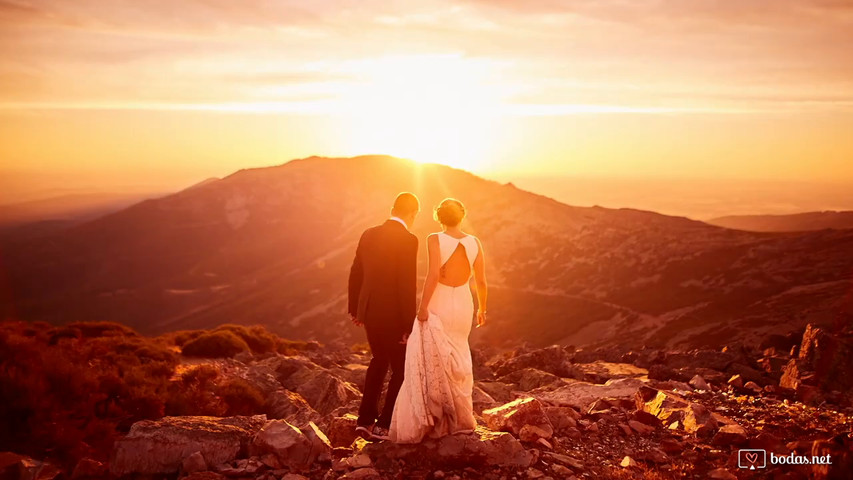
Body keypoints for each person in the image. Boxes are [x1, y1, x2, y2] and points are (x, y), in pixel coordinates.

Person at [389, 197, 488, 443]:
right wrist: (482, 309)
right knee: (459, 353)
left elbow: (433, 275)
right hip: (465, 302)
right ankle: (460, 417)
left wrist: (422, 307)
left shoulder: (434, 239)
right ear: (462, 216)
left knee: (433, 355)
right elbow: (482, 281)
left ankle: (438, 417)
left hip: (440, 301)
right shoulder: (475, 242)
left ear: (439, 217)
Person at [348, 192, 420, 440]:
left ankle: (364, 420)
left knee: (378, 360)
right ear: (413, 214)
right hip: (394, 314)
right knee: (401, 368)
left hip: (369, 312)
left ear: (392, 208)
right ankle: (383, 424)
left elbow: (356, 271)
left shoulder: (369, 233)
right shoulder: (409, 239)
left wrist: (356, 308)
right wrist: (409, 325)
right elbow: (406, 284)